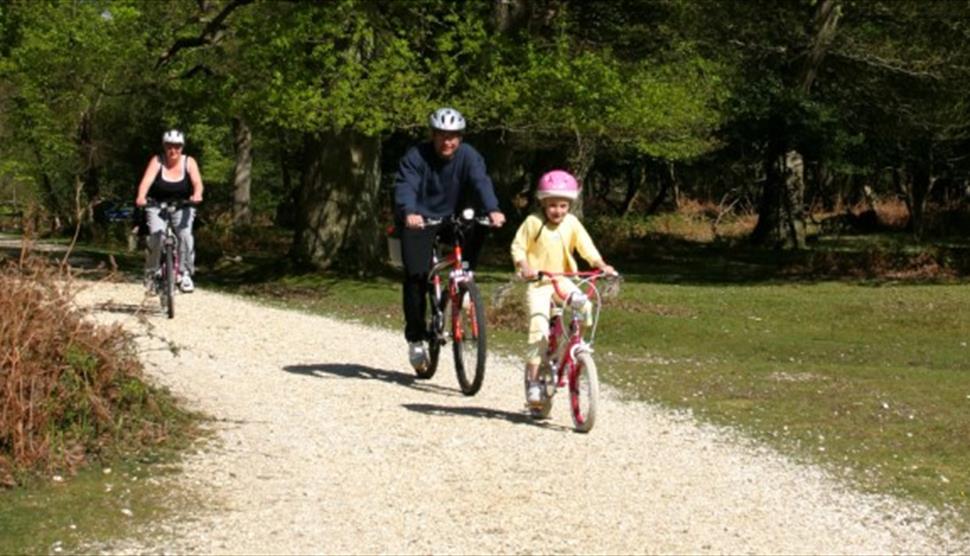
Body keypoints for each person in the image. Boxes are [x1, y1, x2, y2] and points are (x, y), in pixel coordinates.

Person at [393, 107, 506, 371]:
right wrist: (409, 212)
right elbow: (405, 185)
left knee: (479, 225)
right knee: (416, 276)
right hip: (421, 219)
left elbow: (481, 181)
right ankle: (417, 338)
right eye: (442, 135)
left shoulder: (469, 156)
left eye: (453, 136)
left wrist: (493, 208)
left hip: (454, 217)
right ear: (433, 135)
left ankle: (466, 277)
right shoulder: (416, 157)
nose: (448, 142)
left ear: (461, 137)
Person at [510, 170, 616, 406]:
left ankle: (572, 349)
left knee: (586, 306)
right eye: (553, 206)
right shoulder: (533, 222)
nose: (558, 211)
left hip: (563, 279)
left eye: (563, 206)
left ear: (570, 205)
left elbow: (586, 247)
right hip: (538, 282)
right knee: (538, 326)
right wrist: (525, 265)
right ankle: (534, 382)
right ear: (543, 203)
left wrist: (601, 265)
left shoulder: (572, 223)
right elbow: (518, 248)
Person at [135, 129, 204, 293]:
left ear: (182, 147)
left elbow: (197, 182)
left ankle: (185, 274)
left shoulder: (189, 162)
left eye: (177, 146)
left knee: (185, 235)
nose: (173, 150)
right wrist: (141, 197)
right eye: (169, 146)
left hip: (183, 205)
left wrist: (197, 194)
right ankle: (152, 274)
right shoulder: (157, 161)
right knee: (156, 237)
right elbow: (146, 182)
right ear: (164, 147)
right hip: (157, 205)